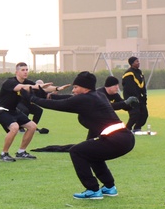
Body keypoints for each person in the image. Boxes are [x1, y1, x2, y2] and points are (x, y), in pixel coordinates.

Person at [29, 71, 136, 199]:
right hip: (125, 139)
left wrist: (33, 99)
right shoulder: (98, 95)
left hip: (116, 140)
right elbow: (68, 99)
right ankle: (109, 187)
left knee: (76, 151)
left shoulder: (85, 99)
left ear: (85, 88)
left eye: (76, 87)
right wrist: (47, 96)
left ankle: (92, 189)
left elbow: (59, 105)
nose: (73, 90)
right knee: (91, 154)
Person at [0, 62, 51, 162]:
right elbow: (20, 87)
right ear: (16, 72)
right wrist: (37, 86)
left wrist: (58, 88)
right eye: (23, 70)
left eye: (27, 70)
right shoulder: (9, 82)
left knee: (32, 126)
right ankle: (4, 154)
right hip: (0, 110)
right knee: (14, 127)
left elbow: (43, 87)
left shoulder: (27, 82)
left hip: (13, 110)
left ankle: (21, 152)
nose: (25, 72)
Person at [121, 56, 149, 134]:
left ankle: (137, 128)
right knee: (135, 114)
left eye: (138, 61)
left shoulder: (140, 72)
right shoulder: (128, 74)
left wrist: (144, 95)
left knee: (144, 114)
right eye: (136, 61)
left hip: (140, 97)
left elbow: (143, 85)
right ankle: (127, 129)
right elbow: (129, 87)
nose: (138, 62)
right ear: (132, 63)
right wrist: (134, 97)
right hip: (131, 97)